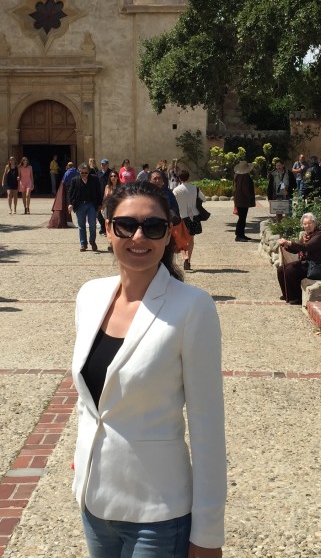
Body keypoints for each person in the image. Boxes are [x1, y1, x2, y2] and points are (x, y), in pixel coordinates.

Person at [72, 181, 225, 557]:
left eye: (153, 226)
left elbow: (207, 426)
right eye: (125, 225)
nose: (139, 236)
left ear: (169, 234)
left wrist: (208, 533)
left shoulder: (192, 307)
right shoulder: (90, 296)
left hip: (158, 511)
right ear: (108, 229)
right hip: (95, 503)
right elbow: (91, 401)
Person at [275, 212, 321, 304]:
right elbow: (297, 249)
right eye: (305, 224)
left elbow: (306, 247)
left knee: (291, 271)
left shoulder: (320, 235)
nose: (307, 226)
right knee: (281, 270)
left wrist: (289, 242)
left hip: (316, 265)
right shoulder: (306, 236)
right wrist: (285, 246)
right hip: (307, 263)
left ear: (315, 223)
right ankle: (288, 295)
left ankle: (297, 297)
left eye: (309, 223)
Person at [172, 169, 202, 271]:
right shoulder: (195, 188)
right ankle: (188, 261)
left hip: (182, 216)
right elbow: (204, 198)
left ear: (179, 178)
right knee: (191, 240)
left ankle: (185, 256)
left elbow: (173, 203)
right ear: (188, 177)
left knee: (180, 239)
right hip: (194, 216)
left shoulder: (176, 190)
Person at [68, 163, 103, 251]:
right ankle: (83, 244)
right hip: (79, 205)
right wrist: (70, 203)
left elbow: (99, 192)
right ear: (79, 172)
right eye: (82, 173)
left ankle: (92, 242)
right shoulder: (75, 180)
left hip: (91, 204)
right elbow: (70, 193)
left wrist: (100, 204)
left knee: (92, 225)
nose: (83, 174)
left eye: (85, 173)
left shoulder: (94, 179)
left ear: (88, 172)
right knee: (81, 226)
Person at [232, 161, 255, 242]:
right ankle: (239, 235)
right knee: (242, 218)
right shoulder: (245, 176)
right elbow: (246, 189)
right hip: (243, 199)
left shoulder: (237, 175)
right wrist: (250, 198)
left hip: (239, 199)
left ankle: (241, 234)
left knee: (242, 217)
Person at [96, 159, 114, 236]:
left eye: (104, 164)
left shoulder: (111, 173)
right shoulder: (98, 173)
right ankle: (103, 228)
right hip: (99, 195)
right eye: (102, 164)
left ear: (107, 165)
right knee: (99, 214)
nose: (103, 166)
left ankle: (107, 229)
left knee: (107, 214)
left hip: (108, 195)